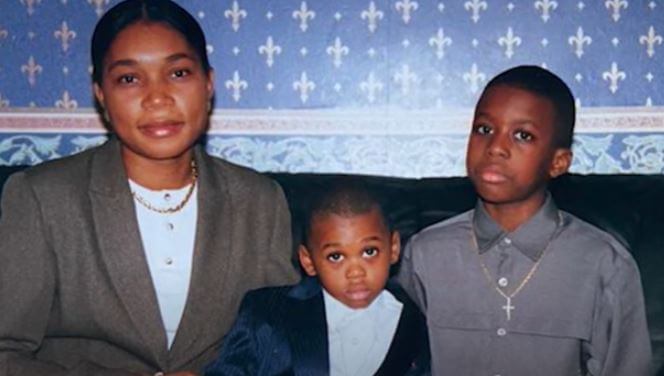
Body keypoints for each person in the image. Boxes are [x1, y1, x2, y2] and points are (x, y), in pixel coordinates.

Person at [0, 0, 298, 375]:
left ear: (209, 84)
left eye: (178, 72)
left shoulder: (260, 201)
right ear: (101, 96)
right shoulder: (43, 198)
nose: (157, 97)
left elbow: (282, 348)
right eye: (129, 78)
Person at [397, 65, 652, 375]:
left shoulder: (604, 264)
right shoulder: (424, 254)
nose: (496, 148)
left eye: (522, 135)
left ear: (558, 163)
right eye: (484, 129)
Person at [205, 179, 430, 375]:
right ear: (308, 261)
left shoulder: (417, 319)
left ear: (393, 249)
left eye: (369, 252)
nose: (355, 272)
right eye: (336, 256)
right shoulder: (267, 311)